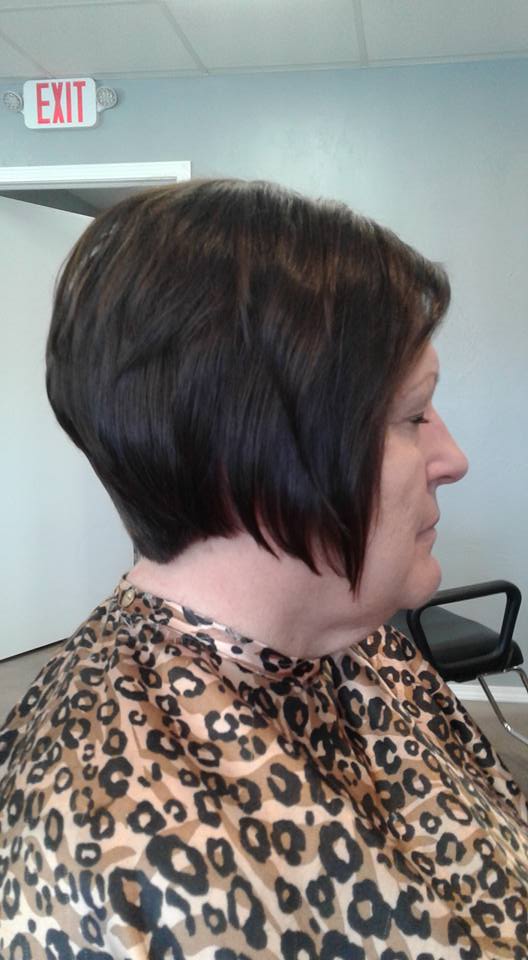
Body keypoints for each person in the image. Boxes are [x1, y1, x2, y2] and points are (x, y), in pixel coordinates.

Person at [0, 179, 526, 960]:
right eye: (414, 416)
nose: (452, 459)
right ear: (248, 461)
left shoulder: (355, 637)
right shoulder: (106, 861)